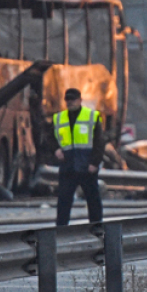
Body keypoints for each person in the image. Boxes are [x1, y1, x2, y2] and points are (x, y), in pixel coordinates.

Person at [53, 88, 105, 227]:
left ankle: (96, 227)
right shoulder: (59, 118)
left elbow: (99, 142)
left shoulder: (92, 116)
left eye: (73, 99)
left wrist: (95, 162)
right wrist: (55, 149)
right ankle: (61, 229)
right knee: (64, 201)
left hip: (86, 166)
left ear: (80, 100)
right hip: (68, 166)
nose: (70, 102)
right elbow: (49, 138)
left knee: (93, 200)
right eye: (68, 100)